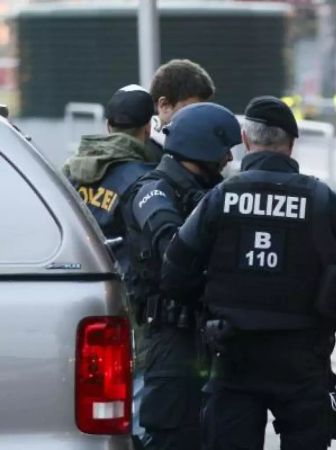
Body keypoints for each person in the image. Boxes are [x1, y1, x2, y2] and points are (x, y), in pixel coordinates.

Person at [160, 96, 336, 450]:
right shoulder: (321, 198)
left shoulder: (220, 196)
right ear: (291, 143)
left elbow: (175, 269)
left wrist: (209, 300)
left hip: (233, 353)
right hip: (303, 355)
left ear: (245, 138)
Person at [122, 102, 240, 450]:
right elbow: (172, 249)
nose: (227, 160)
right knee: (173, 438)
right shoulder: (153, 192)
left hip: (213, 339)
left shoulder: (210, 194)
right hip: (172, 342)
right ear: (202, 147)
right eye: (223, 151)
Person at [62, 84, 157, 272]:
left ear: (107, 126)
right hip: (124, 286)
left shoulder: (70, 170)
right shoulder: (148, 179)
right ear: (148, 128)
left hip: (78, 275)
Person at [147, 59, 216, 159]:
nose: (202, 119)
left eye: (205, 110)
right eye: (193, 110)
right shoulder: (146, 156)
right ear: (164, 105)